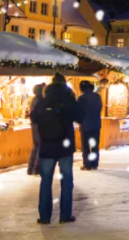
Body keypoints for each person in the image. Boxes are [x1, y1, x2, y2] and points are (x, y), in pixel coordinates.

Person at [30, 73, 84, 224]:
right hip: (65, 148)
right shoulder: (68, 99)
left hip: (47, 146)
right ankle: (65, 215)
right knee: (66, 181)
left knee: (46, 181)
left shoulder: (43, 101)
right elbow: (81, 117)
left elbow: (33, 117)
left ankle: (45, 216)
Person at [77, 80, 103, 170]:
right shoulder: (97, 97)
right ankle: (94, 164)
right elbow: (100, 108)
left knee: (85, 146)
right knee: (95, 146)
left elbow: (78, 111)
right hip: (96, 124)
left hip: (85, 125)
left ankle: (87, 164)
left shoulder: (81, 98)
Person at [26, 83, 45, 176]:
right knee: (40, 147)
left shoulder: (35, 100)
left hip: (35, 125)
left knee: (36, 146)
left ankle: (31, 168)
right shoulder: (39, 100)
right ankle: (36, 169)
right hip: (39, 125)